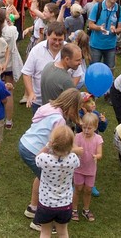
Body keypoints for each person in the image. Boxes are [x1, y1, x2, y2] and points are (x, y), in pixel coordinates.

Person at [18, 88, 80, 231]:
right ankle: (39, 220)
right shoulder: (59, 120)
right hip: (33, 151)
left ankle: (32, 208)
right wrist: (75, 149)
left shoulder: (49, 107)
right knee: (48, 183)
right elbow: (58, 145)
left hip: (25, 143)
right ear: (71, 106)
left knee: (41, 176)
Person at [34, 124, 79, 238]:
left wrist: (47, 145)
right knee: (63, 232)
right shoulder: (73, 159)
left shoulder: (45, 159)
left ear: (52, 142)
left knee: (45, 232)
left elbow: (37, 158)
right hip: (65, 205)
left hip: (46, 204)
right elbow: (76, 158)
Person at [73, 112, 103, 223]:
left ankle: (86, 210)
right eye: (84, 127)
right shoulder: (78, 137)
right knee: (78, 189)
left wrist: (97, 156)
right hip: (79, 169)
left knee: (88, 190)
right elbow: (73, 147)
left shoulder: (98, 139)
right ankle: (74, 209)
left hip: (90, 170)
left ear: (95, 127)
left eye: (89, 128)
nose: (86, 130)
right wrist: (76, 149)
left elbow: (100, 153)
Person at [85, 0, 121, 69]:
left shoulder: (120, 10)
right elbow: (90, 24)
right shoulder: (97, 7)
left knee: (110, 69)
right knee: (93, 69)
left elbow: (120, 28)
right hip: (96, 45)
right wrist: (99, 28)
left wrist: (115, 30)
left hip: (110, 46)